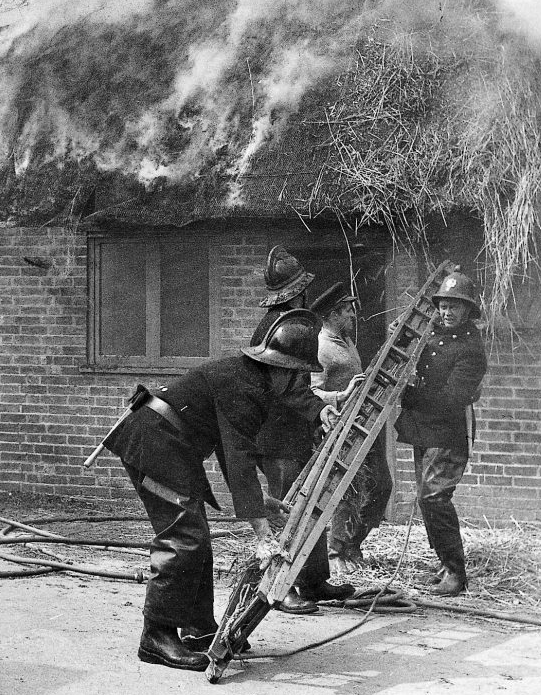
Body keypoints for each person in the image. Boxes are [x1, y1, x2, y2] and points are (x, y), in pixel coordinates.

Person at [104, 309, 331, 672]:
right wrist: (262, 533)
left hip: (169, 443)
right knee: (184, 537)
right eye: (298, 376)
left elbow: (230, 454)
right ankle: (157, 635)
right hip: (155, 442)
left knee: (196, 536)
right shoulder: (245, 387)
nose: (297, 386)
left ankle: (197, 629)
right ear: (284, 370)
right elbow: (239, 460)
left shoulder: (248, 380)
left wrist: (263, 504)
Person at [253, 247, 353, 614]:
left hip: (290, 433)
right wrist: (321, 410)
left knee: (309, 503)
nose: (306, 295)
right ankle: (282, 587)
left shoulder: (287, 322)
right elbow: (290, 391)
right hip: (275, 436)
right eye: (302, 289)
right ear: (294, 292)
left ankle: (313, 580)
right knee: (288, 510)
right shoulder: (287, 327)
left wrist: (316, 411)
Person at [395, 271, 487, 597]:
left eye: (455, 307)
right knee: (426, 499)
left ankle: (456, 572)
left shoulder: (471, 349)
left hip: (447, 434)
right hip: (423, 428)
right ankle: (444, 565)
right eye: (443, 306)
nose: (447, 313)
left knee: (434, 497)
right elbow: (414, 351)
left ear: (468, 311)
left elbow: (451, 399)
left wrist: (408, 393)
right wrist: (401, 339)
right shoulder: (433, 333)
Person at [308, 283, 390, 577]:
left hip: (362, 424)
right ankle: (336, 552)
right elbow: (312, 392)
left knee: (381, 485)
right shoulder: (321, 348)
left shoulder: (345, 342)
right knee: (346, 491)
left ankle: (353, 543)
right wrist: (341, 396)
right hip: (339, 428)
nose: (354, 316)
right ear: (332, 314)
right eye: (348, 311)